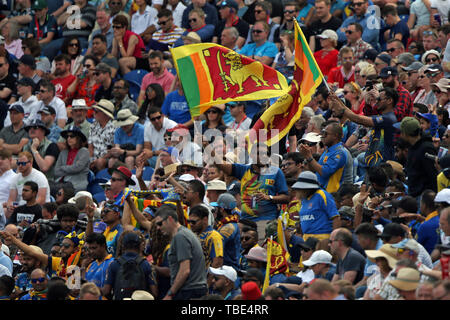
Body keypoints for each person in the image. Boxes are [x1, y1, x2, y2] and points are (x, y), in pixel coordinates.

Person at [215, 143, 289, 244]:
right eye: (259, 153)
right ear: (252, 155)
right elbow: (220, 164)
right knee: (241, 251)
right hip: (245, 221)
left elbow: (286, 197)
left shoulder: (276, 172)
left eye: (266, 153)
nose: (264, 156)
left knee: (259, 252)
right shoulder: (244, 170)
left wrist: (269, 197)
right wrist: (210, 150)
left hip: (266, 221)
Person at [153, 204, 208, 300]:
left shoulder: (180, 236)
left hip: (189, 291)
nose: (158, 228)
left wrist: (170, 294)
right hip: (193, 290)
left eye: (160, 224)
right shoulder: (184, 233)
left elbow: (184, 270)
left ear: (170, 219)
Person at [102, 231, 157, 300]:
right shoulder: (145, 264)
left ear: (123, 246)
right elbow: (154, 292)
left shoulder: (114, 264)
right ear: (140, 245)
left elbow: (106, 291)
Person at [394, 116, 438, 199]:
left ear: (406, 134)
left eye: (401, 132)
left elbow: (433, 176)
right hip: (413, 193)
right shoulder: (412, 146)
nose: (400, 135)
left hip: (422, 197)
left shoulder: (426, 148)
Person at [299, 121, 348, 193]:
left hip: (330, 193)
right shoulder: (328, 150)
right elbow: (315, 169)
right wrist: (306, 155)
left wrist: (309, 157)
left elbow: (325, 172)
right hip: (320, 190)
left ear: (335, 136)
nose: (322, 136)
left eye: (326, 134)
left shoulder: (340, 152)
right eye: (322, 133)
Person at [292, 171, 340, 240]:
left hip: (322, 238)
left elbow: (336, 218)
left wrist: (334, 240)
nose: (298, 190)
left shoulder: (322, 195)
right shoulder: (303, 200)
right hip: (306, 239)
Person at [54, 126, 90, 193]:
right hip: (61, 183)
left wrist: (62, 168)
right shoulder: (63, 152)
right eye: (67, 136)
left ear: (78, 138)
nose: (68, 138)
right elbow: (56, 171)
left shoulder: (84, 151)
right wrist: (71, 170)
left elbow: (77, 168)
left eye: (72, 136)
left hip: (77, 184)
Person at [88, 99, 116, 172]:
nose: (94, 113)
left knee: (100, 162)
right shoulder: (92, 126)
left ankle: (102, 179)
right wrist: (90, 160)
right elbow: (90, 147)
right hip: (94, 158)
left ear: (105, 114)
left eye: (97, 111)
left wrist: (98, 160)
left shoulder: (114, 128)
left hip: (107, 159)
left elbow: (113, 150)